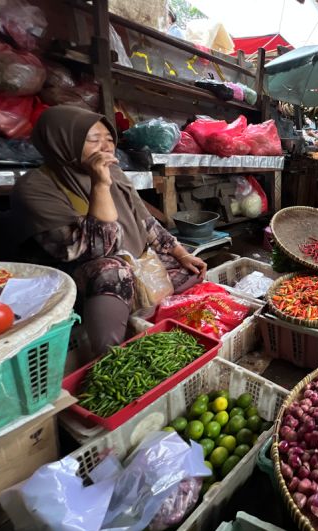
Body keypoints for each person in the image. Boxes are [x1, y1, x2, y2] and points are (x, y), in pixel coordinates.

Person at [11, 106, 207, 358]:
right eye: (94, 140)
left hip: (128, 258)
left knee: (191, 269)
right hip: (76, 275)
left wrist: (181, 254)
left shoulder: (115, 172)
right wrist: (100, 185)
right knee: (111, 272)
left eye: (109, 139)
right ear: (62, 143)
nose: (106, 147)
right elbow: (93, 251)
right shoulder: (35, 187)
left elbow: (145, 221)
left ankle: (147, 321)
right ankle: (109, 357)